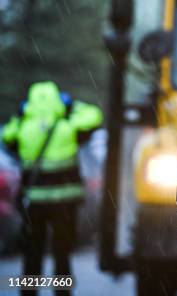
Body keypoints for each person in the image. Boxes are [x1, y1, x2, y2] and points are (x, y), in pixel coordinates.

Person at [2, 81, 103, 296]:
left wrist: (22, 114)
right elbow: (94, 116)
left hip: (34, 204)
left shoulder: (23, 127)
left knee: (32, 253)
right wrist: (71, 105)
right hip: (64, 204)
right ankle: (62, 293)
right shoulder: (68, 125)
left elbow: (7, 137)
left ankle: (29, 293)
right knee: (62, 253)